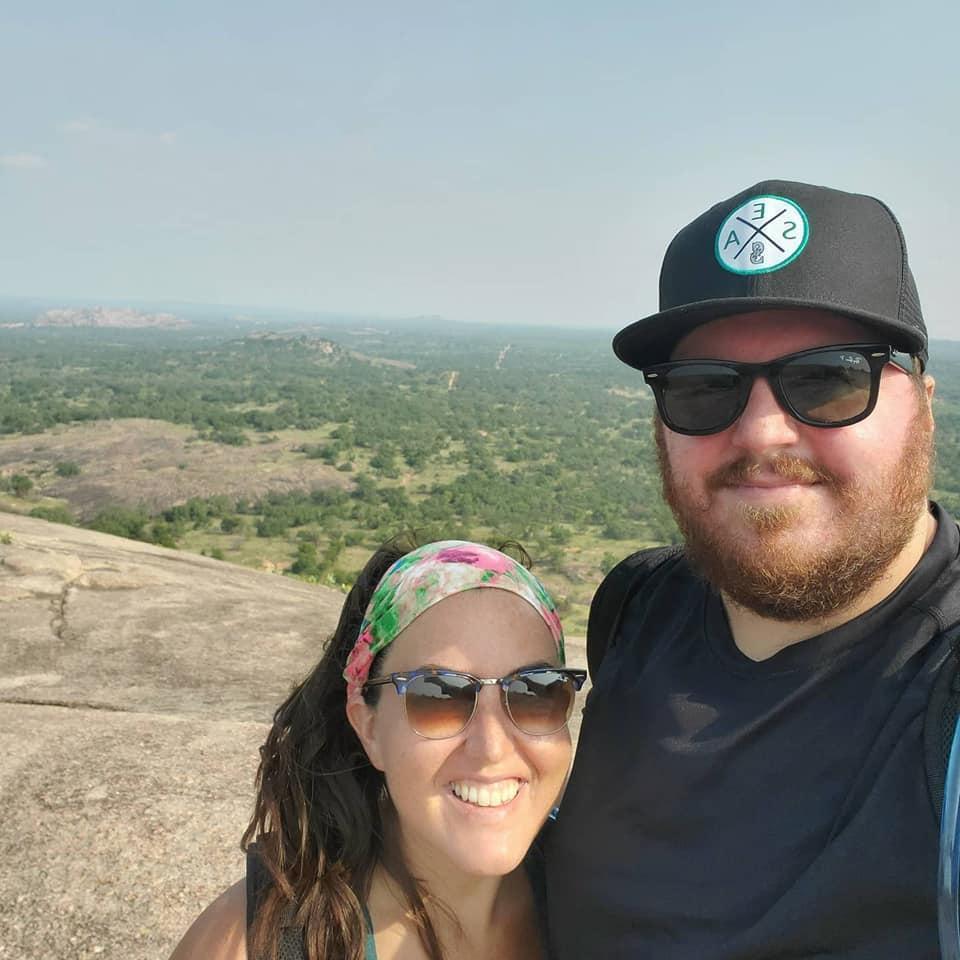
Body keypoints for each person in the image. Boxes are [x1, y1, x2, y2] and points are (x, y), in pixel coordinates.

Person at [546, 179, 956, 958]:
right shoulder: (638, 610)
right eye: (705, 390)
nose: (762, 432)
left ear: (925, 406)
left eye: (830, 378)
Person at [169, 538, 584, 960]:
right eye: (438, 696)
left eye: (536, 691)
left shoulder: (604, 899)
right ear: (368, 727)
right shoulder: (260, 943)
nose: (492, 747)